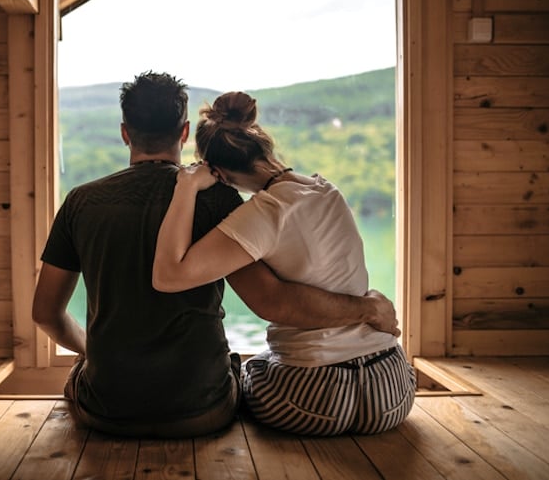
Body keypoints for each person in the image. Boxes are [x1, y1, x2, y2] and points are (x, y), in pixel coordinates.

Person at [32, 71, 401, 439]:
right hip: (210, 409)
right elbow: (270, 297)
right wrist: (366, 307)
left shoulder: (80, 201)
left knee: (84, 377)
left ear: (125, 132)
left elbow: (45, 313)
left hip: (107, 410)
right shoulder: (229, 200)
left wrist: (89, 351)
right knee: (239, 367)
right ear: (184, 131)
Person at [152, 91, 415, 436]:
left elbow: (169, 276)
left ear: (217, 171)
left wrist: (187, 187)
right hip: (392, 390)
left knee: (243, 373)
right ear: (261, 145)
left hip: (311, 399)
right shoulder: (327, 191)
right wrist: (368, 309)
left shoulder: (262, 213)